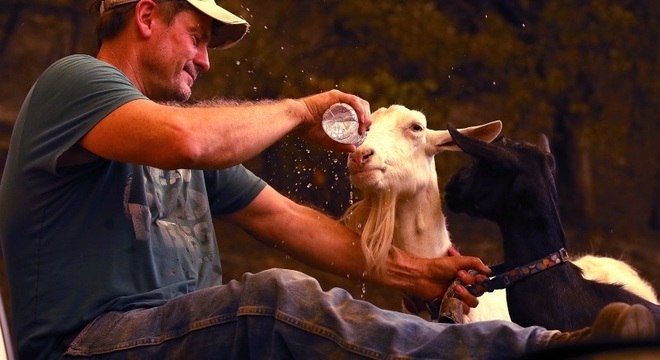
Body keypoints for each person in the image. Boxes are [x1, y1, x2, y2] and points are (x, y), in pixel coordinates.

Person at [0, 0, 654, 359]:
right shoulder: (76, 83)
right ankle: (532, 354)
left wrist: (409, 273)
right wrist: (297, 110)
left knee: (279, 304)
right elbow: (190, 140)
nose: (204, 59)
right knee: (270, 302)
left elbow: (288, 220)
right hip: (90, 347)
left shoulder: (186, 150)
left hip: (177, 337)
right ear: (145, 16)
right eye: (197, 36)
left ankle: (552, 343)